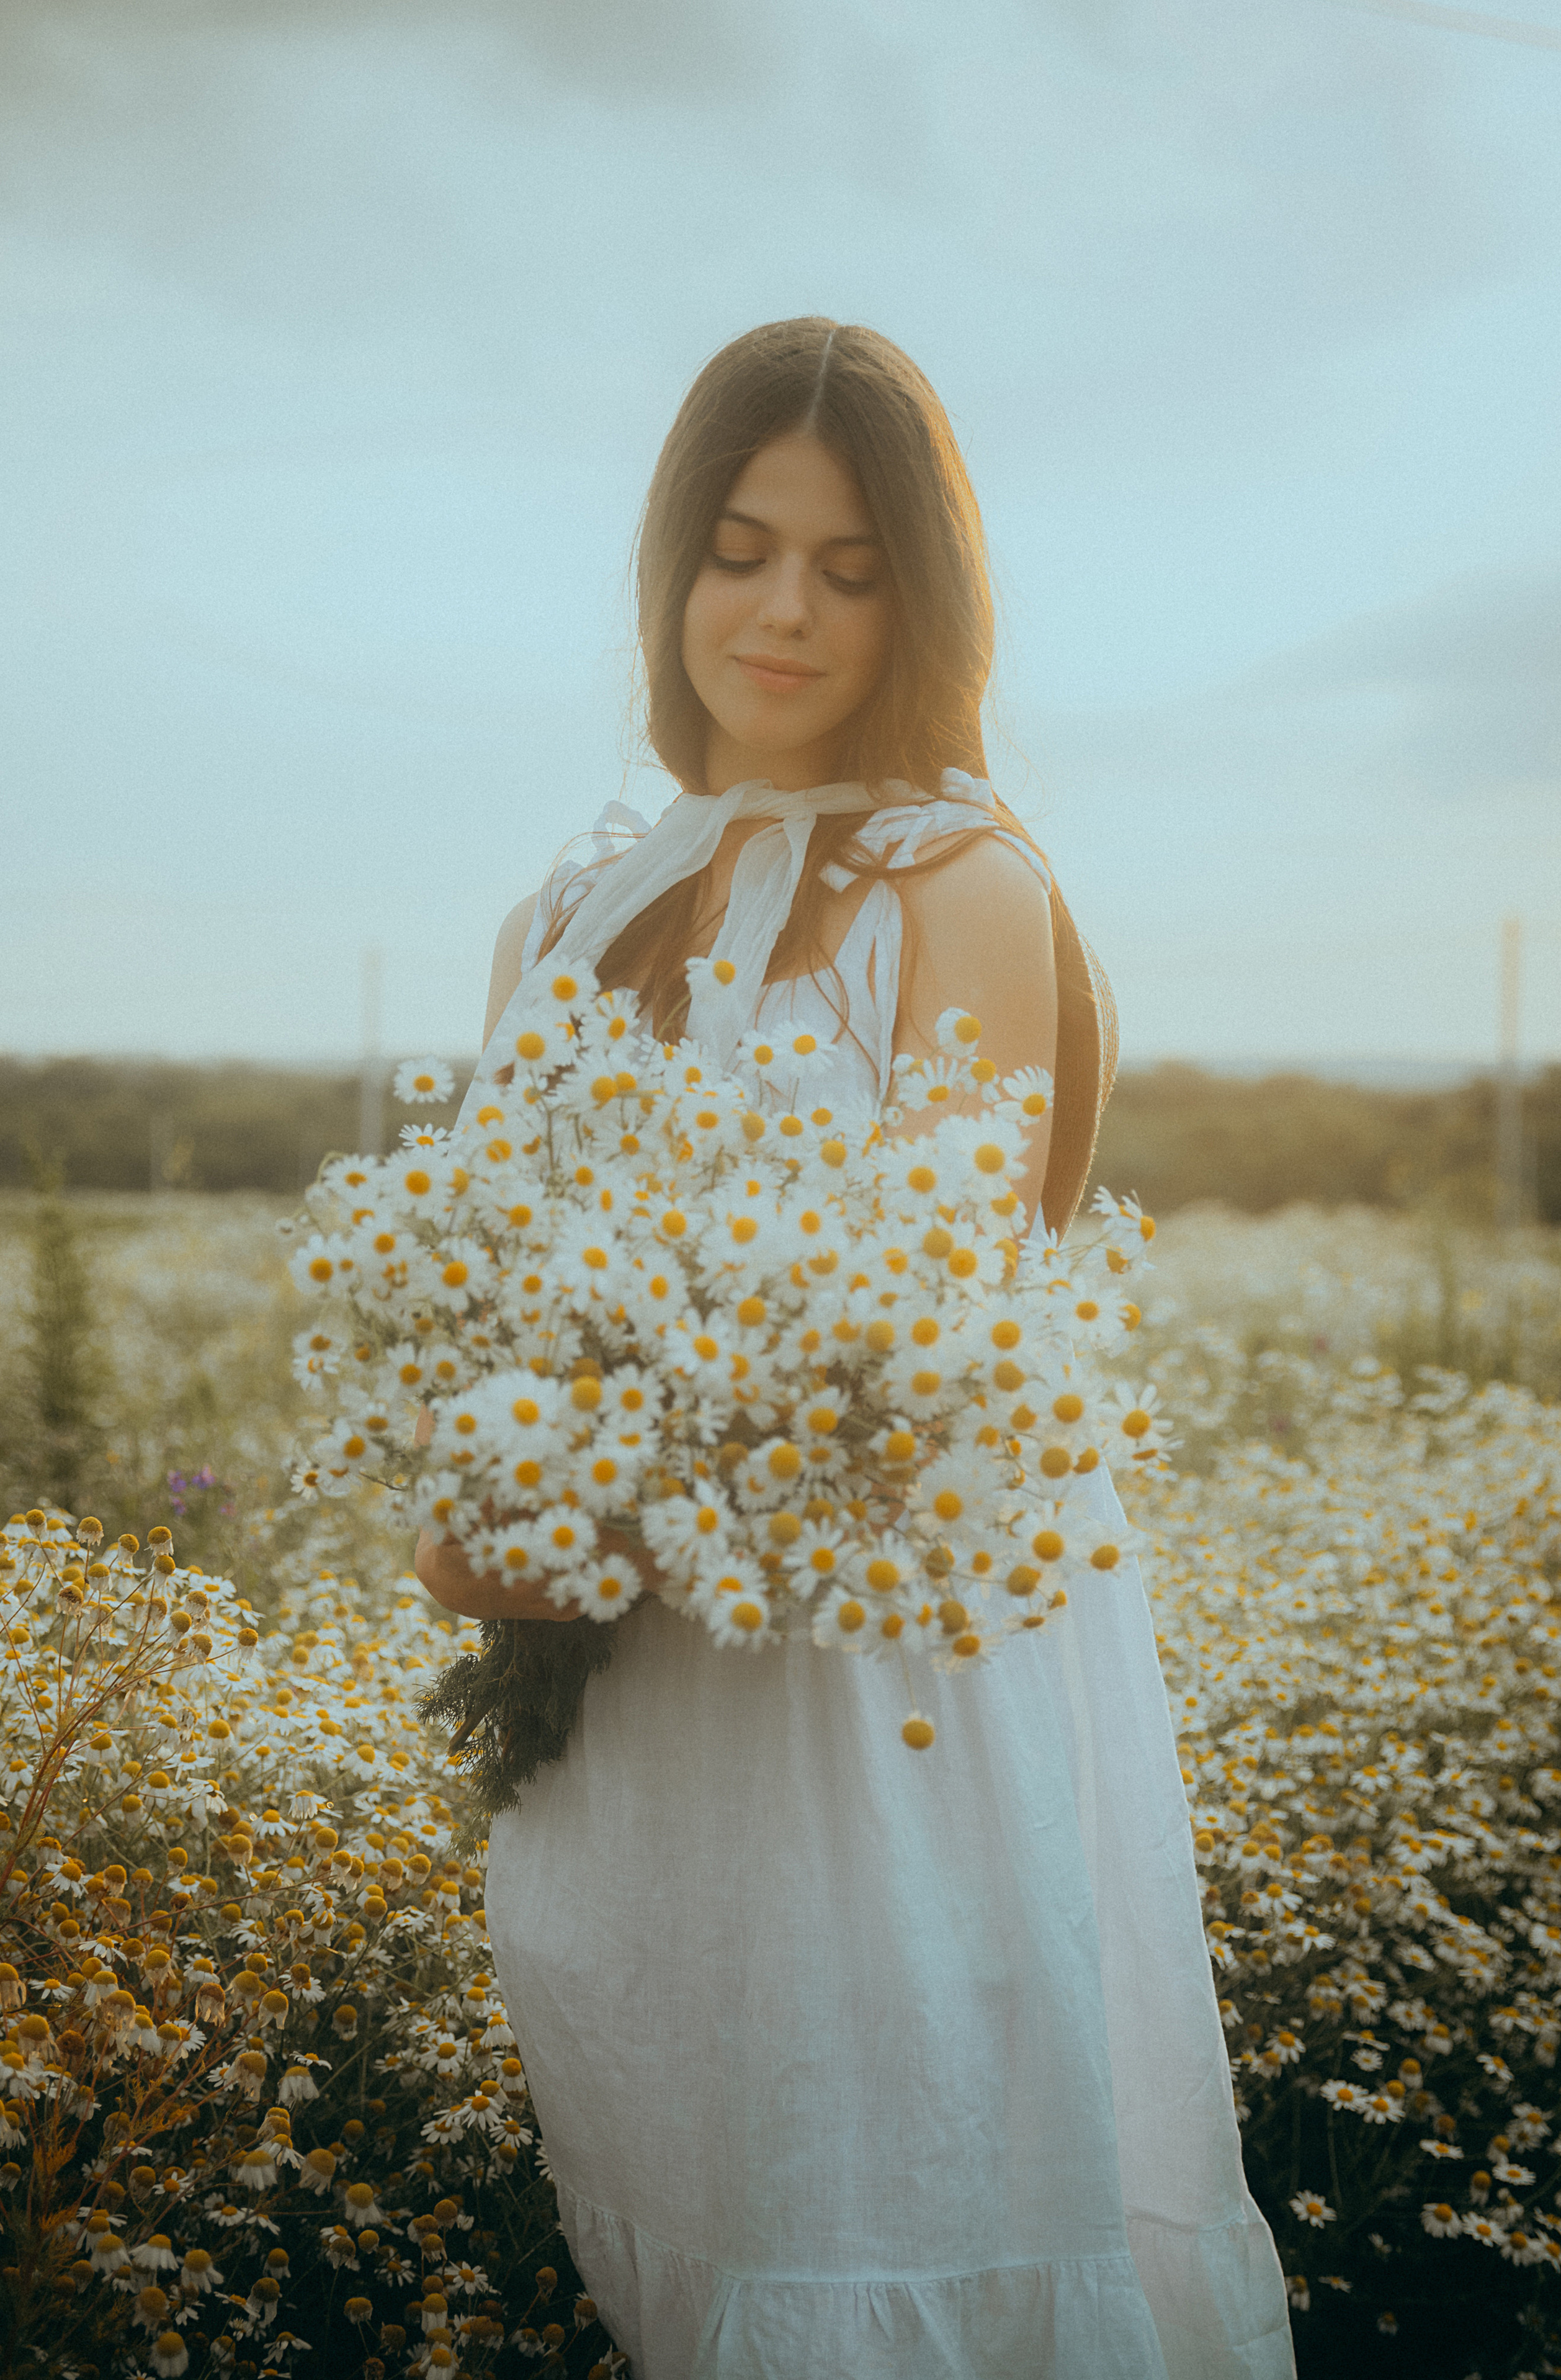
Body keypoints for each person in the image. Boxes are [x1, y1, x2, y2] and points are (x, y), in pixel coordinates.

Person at [415, 318, 1295, 2380]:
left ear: (925, 590)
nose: (783, 608)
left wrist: (583, 1488)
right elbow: (495, 1315)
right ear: (672, 571)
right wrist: (475, 1496)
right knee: (711, 2242)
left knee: (916, 2233)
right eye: (738, 548)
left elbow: (922, 1362)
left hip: (892, 1715)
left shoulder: (964, 883)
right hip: (649, 1718)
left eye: (847, 561)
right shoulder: (566, 911)